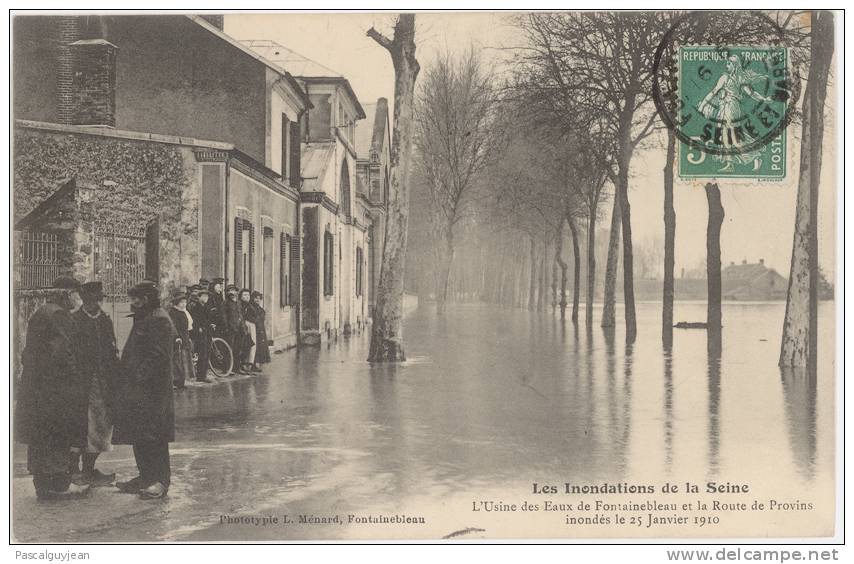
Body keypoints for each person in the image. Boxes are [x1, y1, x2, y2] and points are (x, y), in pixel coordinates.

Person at [16, 276, 90, 500]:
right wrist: (74, 381)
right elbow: (62, 354)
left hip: (39, 388)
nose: (78, 299)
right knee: (58, 434)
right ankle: (59, 485)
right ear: (67, 293)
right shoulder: (59, 315)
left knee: (41, 436)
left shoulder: (42, 312)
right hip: (56, 390)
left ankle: (44, 485)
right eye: (76, 293)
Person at [112, 280, 176, 499]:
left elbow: (157, 356)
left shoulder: (159, 319)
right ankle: (145, 477)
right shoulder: (146, 317)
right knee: (140, 434)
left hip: (153, 391)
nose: (132, 302)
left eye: (135, 298)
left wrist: (137, 378)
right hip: (140, 390)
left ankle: (160, 481)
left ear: (146, 299)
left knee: (155, 435)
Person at [69, 281, 119, 487]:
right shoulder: (74, 320)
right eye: (91, 300)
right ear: (84, 300)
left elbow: (112, 349)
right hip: (79, 381)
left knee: (101, 425)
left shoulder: (105, 320)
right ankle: (73, 470)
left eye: (98, 300)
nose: (96, 304)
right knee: (78, 424)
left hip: (102, 382)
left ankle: (89, 469)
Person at [167, 289, 194, 389]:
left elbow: (187, 327)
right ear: (176, 303)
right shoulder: (173, 313)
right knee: (176, 360)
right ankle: (175, 381)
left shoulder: (183, 312)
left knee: (183, 360)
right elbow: (172, 327)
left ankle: (181, 381)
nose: (184, 304)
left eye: (185, 302)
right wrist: (176, 337)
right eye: (181, 302)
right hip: (177, 339)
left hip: (184, 338)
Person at [188, 286, 213, 383]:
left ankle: (204, 374)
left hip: (207, 332)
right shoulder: (196, 307)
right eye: (204, 296)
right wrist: (198, 328)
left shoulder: (206, 307)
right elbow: (194, 320)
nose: (206, 298)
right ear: (199, 297)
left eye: (207, 296)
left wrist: (211, 324)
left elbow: (208, 319)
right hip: (199, 333)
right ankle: (200, 376)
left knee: (206, 353)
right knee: (202, 353)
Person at [223, 285, 247, 374]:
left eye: (234, 291)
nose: (232, 293)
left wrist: (243, 327)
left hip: (239, 329)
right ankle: (227, 368)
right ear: (227, 293)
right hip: (231, 329)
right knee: (229, 349)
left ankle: (237, 368)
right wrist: (226, 327)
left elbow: (241, 315)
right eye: (230, 291)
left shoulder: (238, 303)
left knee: (238, 349)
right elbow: (224, 317)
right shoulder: (225, 303)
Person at [239, 289, 259, 373]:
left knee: (252, 344)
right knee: (245, 344)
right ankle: (243, 364)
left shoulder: (250, 305)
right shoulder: (240, 305)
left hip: (252, 325)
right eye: (244, 295)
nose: (247, 297)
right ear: (241, 296)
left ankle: (250, 364)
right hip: (244, 325)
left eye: (248, 295)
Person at [251, 291, 271, 367]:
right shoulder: (251, 308)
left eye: (259, 298)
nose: (257, 300)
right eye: (255, 298)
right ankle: (254, 364)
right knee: (255, 347)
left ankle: (259, 363)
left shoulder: (261, 309)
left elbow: (262, 318)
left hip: (261, 330)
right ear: (252, 298)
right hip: (255, 329)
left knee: (261, 346)